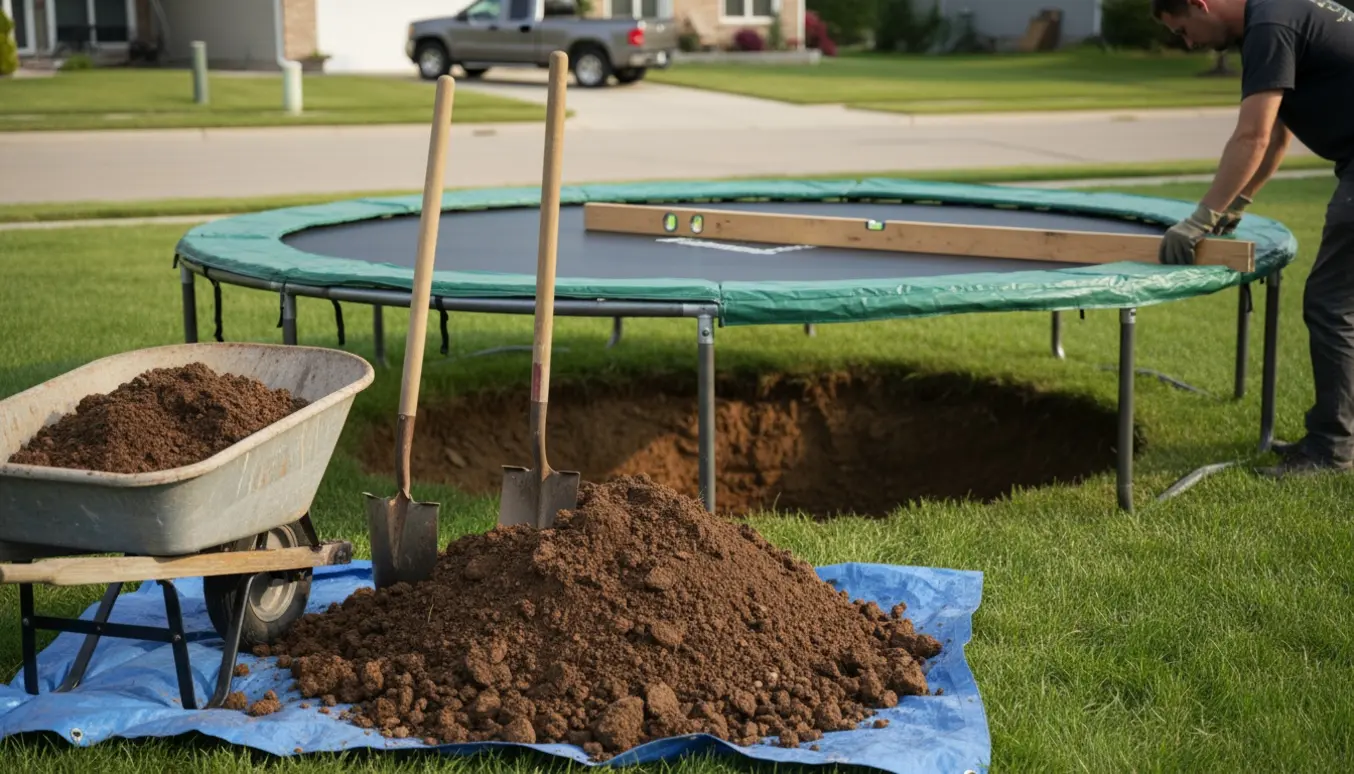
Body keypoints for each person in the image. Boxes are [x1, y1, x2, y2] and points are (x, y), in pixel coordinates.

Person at [1153, 0, 1354, 477]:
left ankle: (1331, 451)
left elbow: (1252, 137)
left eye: (1184, 30)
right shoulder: (1277, 14)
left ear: (1201, 4)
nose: (1190, 43)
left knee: (1331, 305)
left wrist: (1200, 220)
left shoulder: (1270, 24)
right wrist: (1237, 203)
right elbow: (1280, 134)